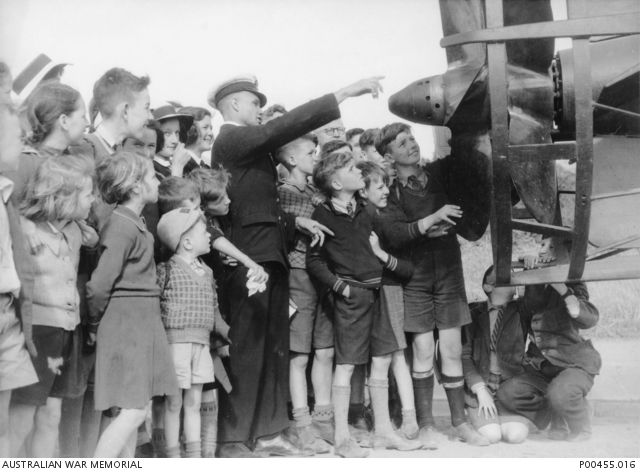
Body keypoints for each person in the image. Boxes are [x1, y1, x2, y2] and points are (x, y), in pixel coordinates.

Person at [209, 73, 383, 457]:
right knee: (249, 349)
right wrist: (344, 91)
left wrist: (294, 221)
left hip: (268, 254)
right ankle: (234, 437)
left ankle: (268, 431)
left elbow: (255, 205)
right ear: (235, 104)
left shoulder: (246, 146)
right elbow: (283, 128)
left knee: (272, 347)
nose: (259, 110)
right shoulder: (230, 137)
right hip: (249, 259)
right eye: (255, 103)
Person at [375, 122, 488, 447]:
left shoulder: (440, 174)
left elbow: (468, 192)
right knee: (423, 351)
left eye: (411, 137)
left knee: (452, 350)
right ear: (389, 155)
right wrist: (428, 223)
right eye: (401, 142)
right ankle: (426, 424)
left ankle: (460, 423)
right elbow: (393, 234)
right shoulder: (391, 190)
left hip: (449, 274)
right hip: (416, 278)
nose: (411, 144)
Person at [307, 152, 421, 457]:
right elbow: (315, 262)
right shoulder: (323, 215)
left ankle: (383, 432)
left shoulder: (366, 212)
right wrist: (341, 288)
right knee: (345, 367)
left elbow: (396, 258)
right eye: (349, 169)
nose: (357, 171)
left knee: (382, 361)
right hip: (352, 299)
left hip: (378, 294)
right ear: (335, 183)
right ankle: (342, 439)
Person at [86, 151, 178, 457]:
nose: (157, 182)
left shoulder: (133, 222)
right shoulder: (122, 225)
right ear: (136, 186)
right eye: (152, 176)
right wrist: (95, 323)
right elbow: (99, 285)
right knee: (135, 411)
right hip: (127, 323)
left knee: (136, 408)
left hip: (140, 321)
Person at [9, 153, 97, 457]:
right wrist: (25, 223)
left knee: (51, 416)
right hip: (38, 334)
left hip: (66, 331)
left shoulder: (74, 230)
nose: (93, 199)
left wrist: (84, 225)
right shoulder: (25, 229)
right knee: (20, 419)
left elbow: (92, 237)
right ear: (64, 196)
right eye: (88, 193)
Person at [273, 134, 333, 454]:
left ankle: (324, 418)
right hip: (298, 275)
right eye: (311, 152)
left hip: (323, 274)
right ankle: (302, 423)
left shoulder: (315, 191)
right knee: (299, 354)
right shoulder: (284, 193)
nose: (316, 156)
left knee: (324, 350)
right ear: (293, 160)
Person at [155, 208, 230, 458]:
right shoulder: (167, 270)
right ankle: (173, 456)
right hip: (176, 345)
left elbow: (214, 310)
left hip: (201, 345)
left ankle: (194, 457)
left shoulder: (207, 272)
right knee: (174, 402)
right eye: (203, 231)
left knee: (194, 403)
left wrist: (226, 336)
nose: (210, 235)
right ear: (186, 242)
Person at [357, 161, 421, 441]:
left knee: (391, 358)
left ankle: (405, 421)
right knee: (392, 358)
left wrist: (380, 254)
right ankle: (402, 422)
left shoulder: (378, 216)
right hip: (383, 291)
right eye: (380, 186)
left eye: (386, 184)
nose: (386, 190)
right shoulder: (373, 217)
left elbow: (406, 268)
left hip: (388, 290)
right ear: (363, 191)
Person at [497, 278, 601, 442]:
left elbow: (589, 319)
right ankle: (556, 413)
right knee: (507, 393)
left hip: (573, 363)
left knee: (561, 393)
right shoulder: (533, 284)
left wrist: (564, 292)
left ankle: (581, 424)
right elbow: (521, 327)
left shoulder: (572, 283)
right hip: (541, 366)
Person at [0, 66, 39, 457]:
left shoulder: (6, 192)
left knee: (5, 432)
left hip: (8, 314)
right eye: (16, 136)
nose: (25, 143)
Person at [461, 266, 530, 444]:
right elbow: (464, 356)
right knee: (492, 435)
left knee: (515, 436)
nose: (512, 279)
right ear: (488, 287)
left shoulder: (521, 309)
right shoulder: (473, 312)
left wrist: (532, 269)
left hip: (510, 387)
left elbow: (536, 296)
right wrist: (480, 389)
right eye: (504, 277)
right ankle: (479, 413)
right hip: (482, 385)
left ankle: (502, 415)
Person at [151, 104, 194, 180]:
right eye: (167, 133)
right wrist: (177, 168)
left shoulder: (185, 165)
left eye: (177, 133)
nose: (175, 140)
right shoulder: (151, 170)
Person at [178, 106, 214, 174]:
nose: (211, 133)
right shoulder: (183, 168)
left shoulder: (205, 166)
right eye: (205, 127)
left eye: (211, 128)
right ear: (190, 130)